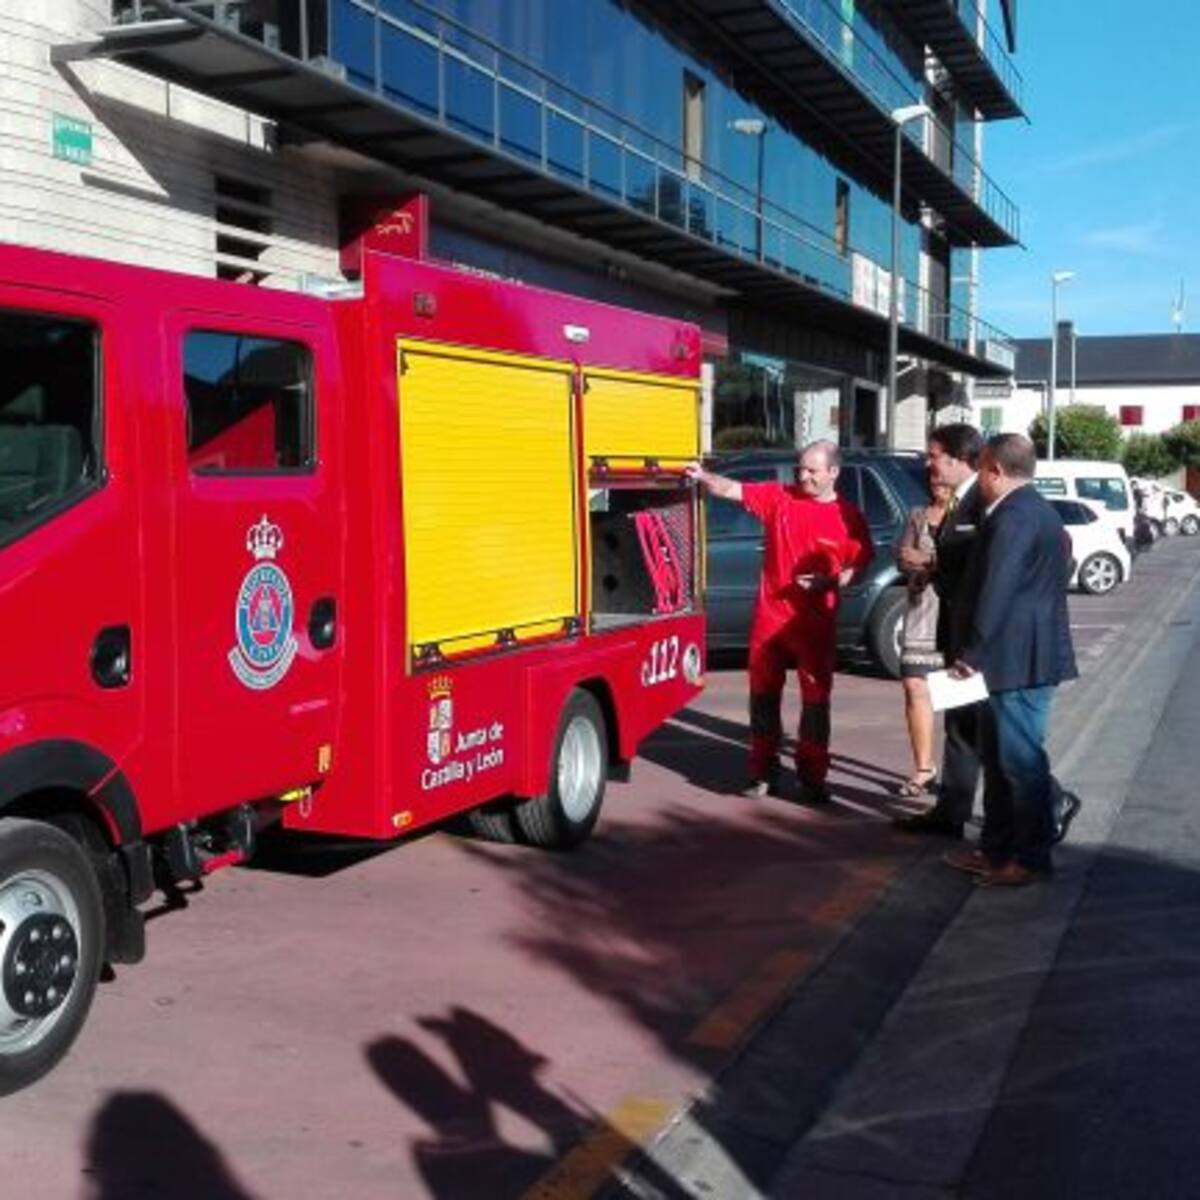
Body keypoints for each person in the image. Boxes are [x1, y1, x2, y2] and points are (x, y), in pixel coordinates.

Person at [687, 441, 873, 804]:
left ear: (833, 473)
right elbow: (732, 489)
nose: (803, 476)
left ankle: (812, 776)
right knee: (762, 695)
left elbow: (859, 566)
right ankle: (762, 771)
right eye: (800, 469)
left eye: (812, 471)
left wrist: (830, 582)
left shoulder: (847, 516)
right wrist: (702, 475)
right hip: (770, 618)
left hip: (815, 623)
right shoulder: (779, 498)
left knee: (816, 701)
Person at [942, 433, 1078, 886]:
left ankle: (1030, 858)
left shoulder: (1014, 517)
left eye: (981, 468)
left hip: (1016, 659)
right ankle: (996, 849)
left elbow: (997, 587)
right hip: (1018, 656)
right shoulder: (1035, 510)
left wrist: (974, 651)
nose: (978, 478)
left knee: (1020, 763)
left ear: (995, 470)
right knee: (1000, 762)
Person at [893, 423, 987, 837]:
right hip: (945, 624)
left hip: (973, 633)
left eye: (933, 457)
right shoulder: (942, 509)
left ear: (956, 459)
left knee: (991, 730)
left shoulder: (981, 503)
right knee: (960, 726)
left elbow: (981, 564)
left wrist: (931, 563)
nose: (928, 465)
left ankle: (1045, 802)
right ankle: (950, 811)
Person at [894, 478, 954, 797]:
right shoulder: (918, 515)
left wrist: (928, 560)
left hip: (954, 611)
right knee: (914, 685)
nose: (937, 485)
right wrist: (911, 564)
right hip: (922, 609)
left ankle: (960, 773)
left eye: (942, 480)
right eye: (932, 480)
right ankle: (923, 767)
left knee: (958, 696)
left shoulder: (968, 513)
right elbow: (902, 555)